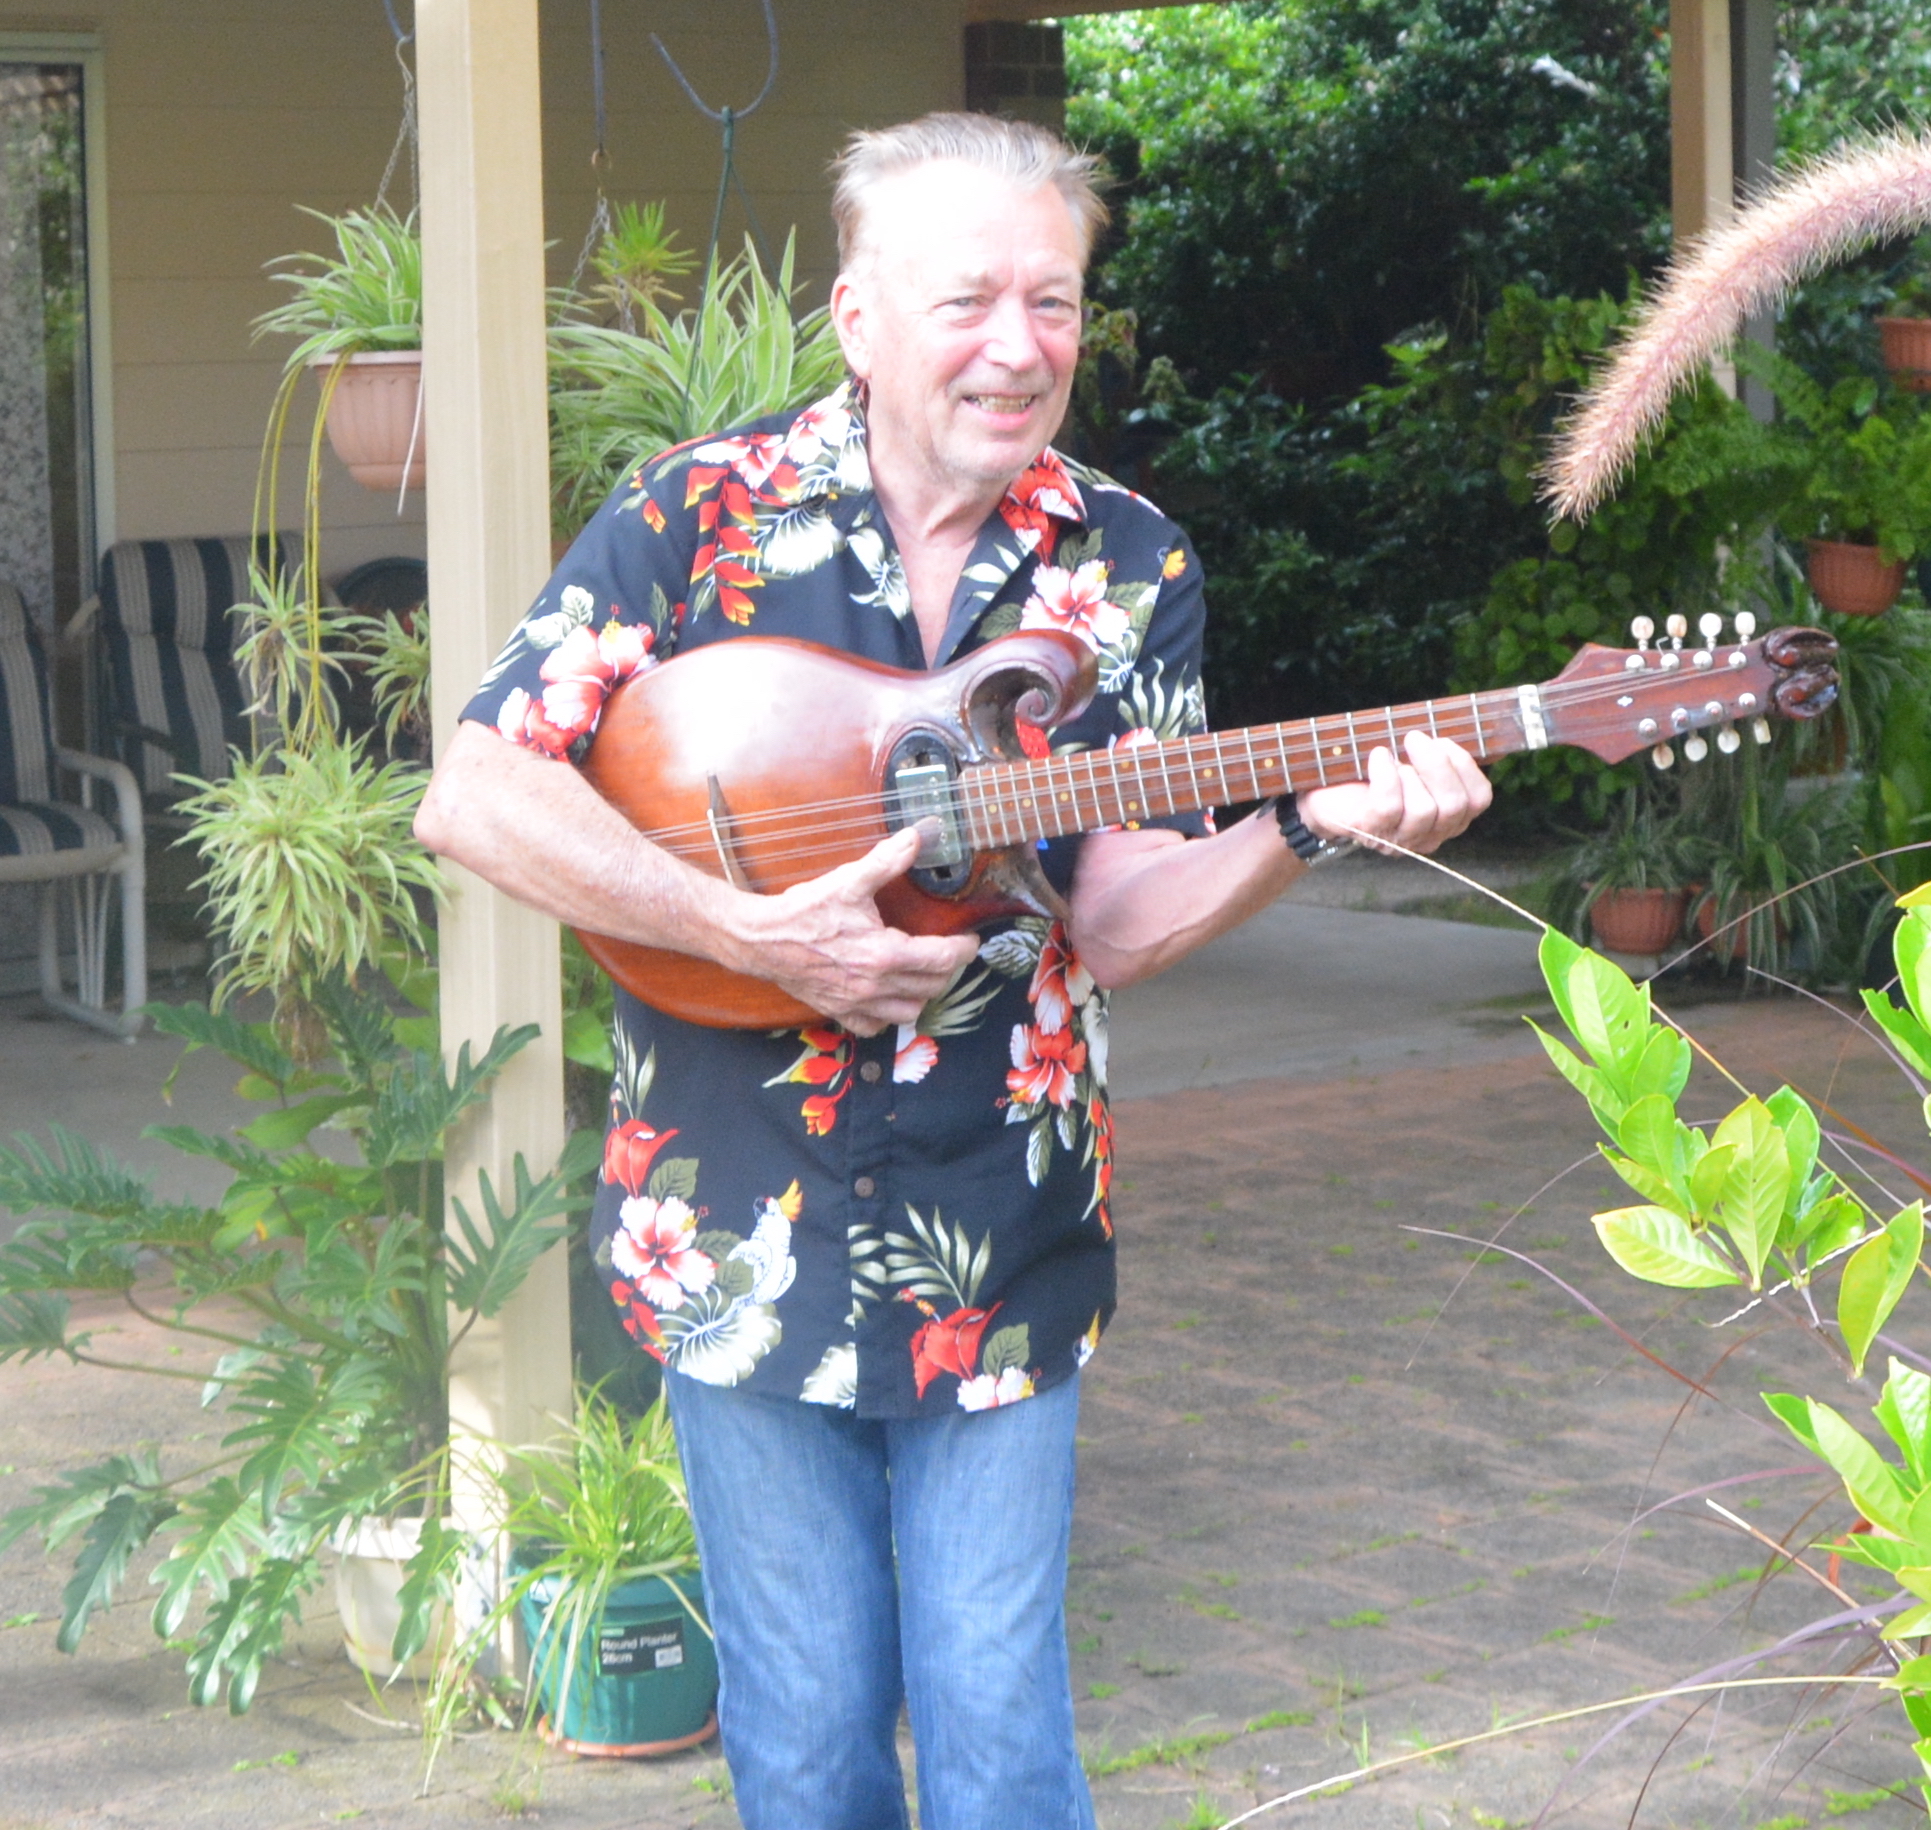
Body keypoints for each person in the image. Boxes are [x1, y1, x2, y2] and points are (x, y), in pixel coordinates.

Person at [415, 112, 1490, 1830]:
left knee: (997, 1738)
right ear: (856, 316)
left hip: (1005, 1225)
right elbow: (475, 789)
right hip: (737, 1227)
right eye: (969, 299)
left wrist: (1310, 823)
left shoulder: (1125, 565)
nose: (1018, 345)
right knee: (808, 1738)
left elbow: (1122, 918)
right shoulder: (694, 518)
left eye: (1053, 301)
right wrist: (741, 932)